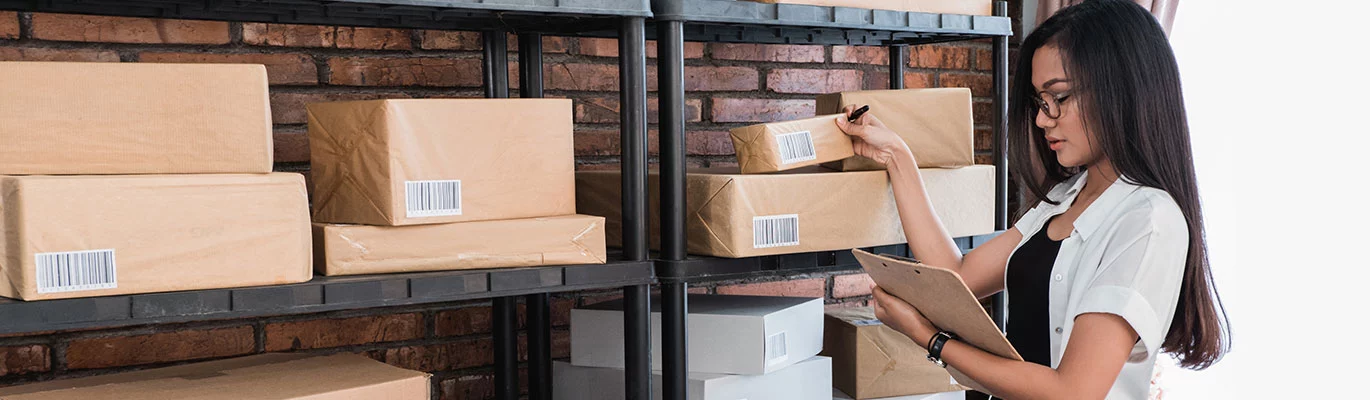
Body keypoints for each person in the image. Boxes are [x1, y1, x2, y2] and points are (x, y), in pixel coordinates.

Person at [832, 0, 1230, 398]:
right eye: (1041, 101)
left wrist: (930, 339)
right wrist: (897, 157)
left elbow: (1073, 392)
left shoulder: (1149, 221)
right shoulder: (1066, 198)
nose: (1042, 119)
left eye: (1059, 97)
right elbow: (959, 277)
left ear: (1122, 90)